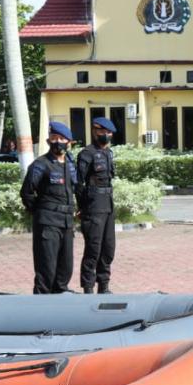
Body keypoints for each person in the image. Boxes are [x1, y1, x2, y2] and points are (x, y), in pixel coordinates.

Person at [20, 122, 78, 294]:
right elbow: (27, 193)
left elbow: (75, 189)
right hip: (48, 223)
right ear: (48, 141)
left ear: (69, 142)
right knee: (47, 268)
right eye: (54, 138)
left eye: (61, 139)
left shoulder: (70, 164)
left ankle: (60, 299)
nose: (57, 142)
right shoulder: (40, 164)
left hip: (66, 223)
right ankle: (41, 306)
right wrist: (40, 212)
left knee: (65, 267)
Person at [76, 116, 117, 295]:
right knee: (93, 248)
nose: (105, 135)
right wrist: (82, 207)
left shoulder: (109, 153)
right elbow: (78, 183)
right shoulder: (87, 153)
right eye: (101, 132)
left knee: (108, 248)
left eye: (108, 133)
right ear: (94, 132)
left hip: (108, 204)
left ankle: (104, 285)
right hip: (93, 205)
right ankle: (88, 287)